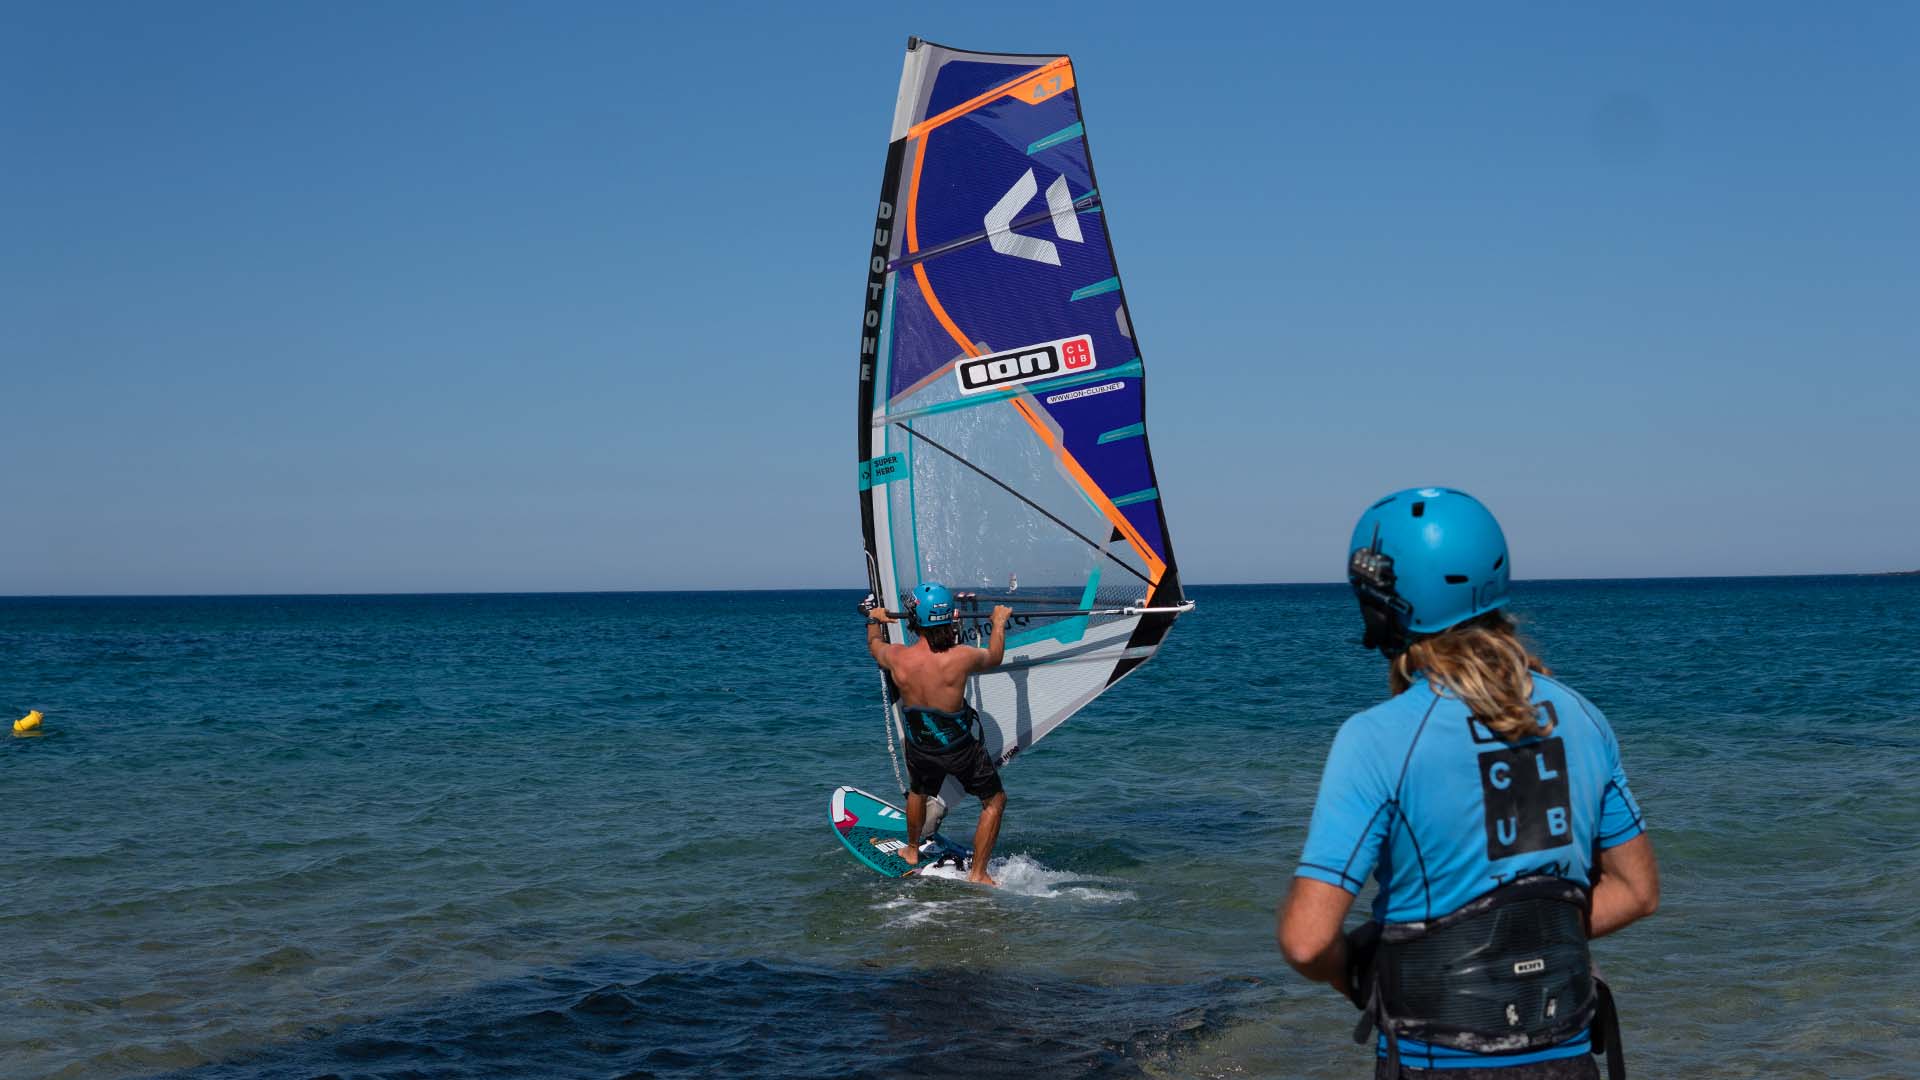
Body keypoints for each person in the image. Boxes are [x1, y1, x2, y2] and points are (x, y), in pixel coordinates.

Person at [1277, 488, 1660, 1079]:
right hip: (1568, 1058)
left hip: (1436, 1062)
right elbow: (1637, 891)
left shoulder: (1377, 738)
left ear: (1387, 607)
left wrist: (1356, 970)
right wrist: (1524, 944)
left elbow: (1306, 941)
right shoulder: (1581, 717)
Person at [864, 582, 1011, 886]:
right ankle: (979, 873)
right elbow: (995, 656)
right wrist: (997, 622)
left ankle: (913, 850)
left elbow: (874, 646)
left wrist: (874, 618)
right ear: (950, 618)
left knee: (918, 790)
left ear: (915, 619)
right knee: (994, 801)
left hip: (921, 747)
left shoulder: (897, 657)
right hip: (959, 750)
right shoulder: (961, 657)